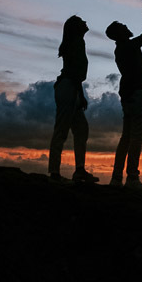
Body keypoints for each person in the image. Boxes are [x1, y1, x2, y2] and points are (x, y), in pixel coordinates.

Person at [105, 17, 142, 191]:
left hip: (129, 94)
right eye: (122, 26)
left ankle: (116, 178)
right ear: (118, 34)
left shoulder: (121, 49)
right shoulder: (128, 46)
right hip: (137, 94)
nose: (126, 26)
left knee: (126, 138)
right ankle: (132, 178)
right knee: (136, 137)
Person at [48, 15, 98, 184]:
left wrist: (80, 94)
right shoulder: (77, 42)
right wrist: (80, 94)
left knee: (81, 129)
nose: (85, 22)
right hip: (68, 87)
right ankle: (54, 172)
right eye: (81, 21)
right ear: (76, 27)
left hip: (71, 87)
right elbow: (74, 71)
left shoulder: (76, 42)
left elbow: (75, 72)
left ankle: (79, 170)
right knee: (62, 129)